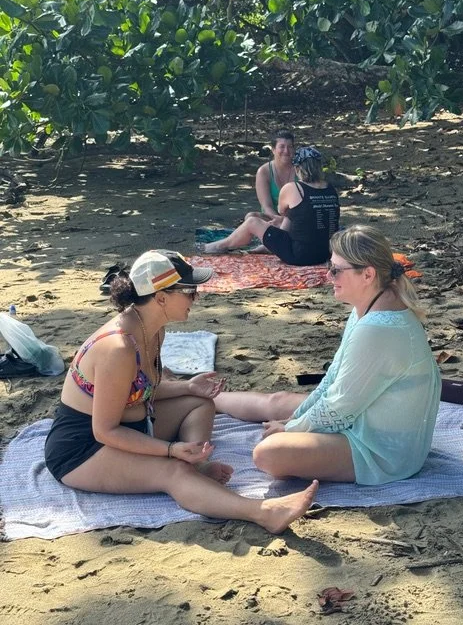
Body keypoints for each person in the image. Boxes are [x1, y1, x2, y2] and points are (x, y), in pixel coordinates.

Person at [44, 249, 318, 533]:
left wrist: (188, 387)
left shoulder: (153, 328)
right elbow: (105, 431)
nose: (196, 298)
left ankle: (197, 468)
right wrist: (171, 451)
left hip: (133, 425)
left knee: (199, 403)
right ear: (160, 297)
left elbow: (138, 391)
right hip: (83, 448)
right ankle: (263, 512)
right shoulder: (118, 348)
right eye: (189, 291)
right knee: (174, 471)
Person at [214, 225, 441, 485]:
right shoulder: (370, 304)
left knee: (269, 452)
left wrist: (290, 428)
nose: (329, 276)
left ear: (367, 274)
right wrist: (297, 418)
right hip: (364, 417)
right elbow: (333, 378)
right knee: (279, 401)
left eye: (336, 270)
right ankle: (209, 398)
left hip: (383, 451)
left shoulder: (378, 328)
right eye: (329, 266)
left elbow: (340, 407)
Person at [203, 147, 340, 266]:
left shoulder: (293, 188)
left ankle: (219, 246)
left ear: (298, 168)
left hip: (300, 256)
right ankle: (266, 246)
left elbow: (281, 212)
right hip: (326, 253)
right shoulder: (331, 189)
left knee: (252, 222)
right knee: (294, 214)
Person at [247, 129, 296, 224]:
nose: (286, 151)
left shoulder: (300, 170)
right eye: (282, 147)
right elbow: (266, 206)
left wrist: (286, 222)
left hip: (295, 220)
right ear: (273, 150)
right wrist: (279, 220)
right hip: (272, 218)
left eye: (290, 147)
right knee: (250, 217)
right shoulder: (264, 171)